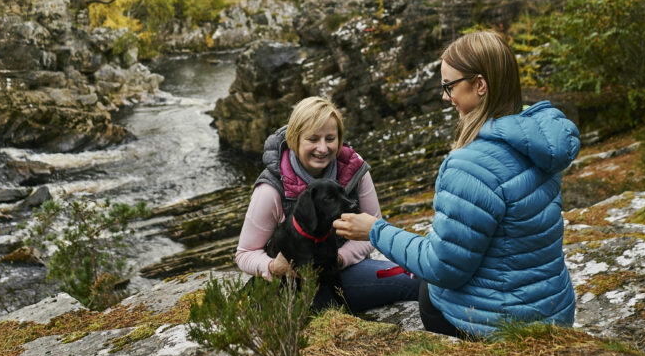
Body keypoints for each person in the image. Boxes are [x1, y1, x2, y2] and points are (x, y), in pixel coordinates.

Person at [334, 30, 579, 338]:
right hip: (554, 312)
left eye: (449, 86)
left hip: (499, 326)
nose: (444, 96)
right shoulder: (538, 142)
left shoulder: (469, 165)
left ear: (480, 85)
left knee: (427, 288)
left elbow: (442, 268)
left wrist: (374, 230)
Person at [235, 96, 421, 311]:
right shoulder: (271, 189)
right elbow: (245, 253)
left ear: (340, 139)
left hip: (345, 272)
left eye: (330, 138)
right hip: (293, 285)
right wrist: (272, 266)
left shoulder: (354, 169)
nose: (322, 148)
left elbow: (374, 228)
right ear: (295, 139)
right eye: (313, 139)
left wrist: (340, 259)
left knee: (417, 281)